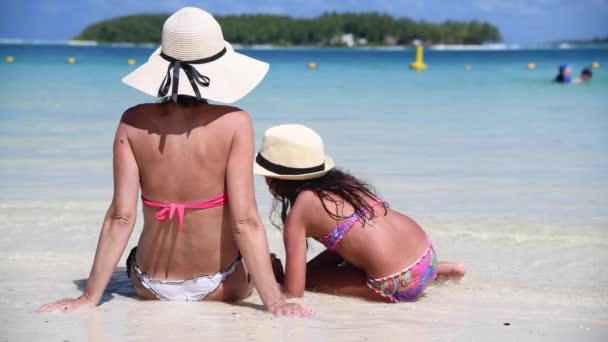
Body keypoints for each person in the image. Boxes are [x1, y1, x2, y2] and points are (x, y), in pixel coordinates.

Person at [37, 7, 310, 317]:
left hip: (149, 286)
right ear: (219, 68)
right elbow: (244, 221)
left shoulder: (132, 121)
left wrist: (88, 297)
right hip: (222, 287)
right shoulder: (235, 123)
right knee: (268, 262)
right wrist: (274, 302)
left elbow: (120, 218)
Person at [254, 124, 465, 303]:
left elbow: (294, 292)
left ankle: (419, 278)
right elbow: (357, 240)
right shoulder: (345, 186)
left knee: (309, 281)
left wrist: (269, 278)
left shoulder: (299, 213)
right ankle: (443, 270)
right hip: (426, 255)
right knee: (332, 261)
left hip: (397, 283)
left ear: (273, 180)